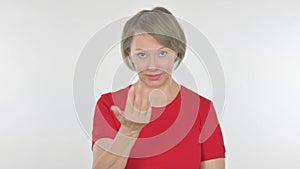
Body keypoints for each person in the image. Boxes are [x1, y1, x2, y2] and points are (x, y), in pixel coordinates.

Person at [91, 6, 226, 169]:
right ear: (129, 53)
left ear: (176, 51)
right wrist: (128, 132)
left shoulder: (202, 109)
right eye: (142, 54)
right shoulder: (109, 105)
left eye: (162, 53)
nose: (152, 65)